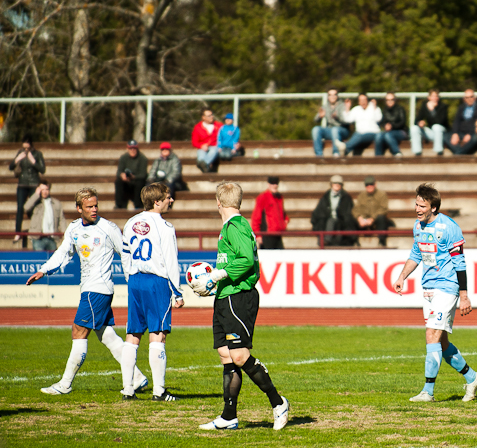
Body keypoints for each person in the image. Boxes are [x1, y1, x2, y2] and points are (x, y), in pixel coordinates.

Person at [26, 187, 148, 395]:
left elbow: (126, 254)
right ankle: (137, 377)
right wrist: (43, 270)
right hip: (89, 289)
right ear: (78, 208)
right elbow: (63, 252)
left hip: (98, 289)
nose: (94, 209)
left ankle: (65, 384)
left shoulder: (108, 228)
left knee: (78, 330)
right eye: (89, 206)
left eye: (96, 205)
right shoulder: (73, 228)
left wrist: (133, 282)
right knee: (106, 335)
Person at [196, 181, 289, 431]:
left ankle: (278, 403)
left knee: (239, 354)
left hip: (239, 297)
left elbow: (247, 260)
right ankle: (229, 417)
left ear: (218, 202)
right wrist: (215, 282)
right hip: (226, 296)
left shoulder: (235, 226)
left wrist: (218, 275)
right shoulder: (230, 226)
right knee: (226, 355)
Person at [393, 183, 477, 402]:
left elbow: (460, 262)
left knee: (431, 334)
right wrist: (402, 276)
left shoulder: (449, 227)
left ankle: (428, 391)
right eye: (416, 204)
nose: (417, 209)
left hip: (447, 286)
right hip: (428, 288)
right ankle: (472, 378)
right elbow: (416, 253)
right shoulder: (418, 226)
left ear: (434, 207)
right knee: (441, 343)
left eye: (422, 205)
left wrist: (464, 294)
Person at [120, 182, 184, 401]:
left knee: (133, 334)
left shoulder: (130, 222)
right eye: (168, 197)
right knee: (158, 335)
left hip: (135, 280)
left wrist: (130, 277)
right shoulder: (165, 227)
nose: (171, 200)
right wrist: (177, 292)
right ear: (157, 201)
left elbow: (125, 253)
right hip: (157, 283)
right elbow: (171, 261)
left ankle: (127, 389)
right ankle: (159, 391)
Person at [9, 135, 46, 247]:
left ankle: (38, 230)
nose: (25, 150)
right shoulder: (20, 153)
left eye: (27, 148)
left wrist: (33, 161)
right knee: (20, 208)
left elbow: (42, 169)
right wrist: (16, 160)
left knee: (36, 207)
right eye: (24, 147)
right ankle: (18, 232)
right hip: (22, 184)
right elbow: (11, 167)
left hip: (34, 183)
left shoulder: (37, 154)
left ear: (30, 145)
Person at [310, 175, 357, 246]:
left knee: (333, 222)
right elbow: (319, 212)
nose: (337, 185)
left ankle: (327, 240)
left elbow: (348, 212)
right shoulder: (325, 197)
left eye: (339, 183)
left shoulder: (346, 197)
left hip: (341, 222)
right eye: (335, 183)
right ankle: (323, 241)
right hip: (327, 221)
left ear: (342, 185)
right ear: (331, 184)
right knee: (322, 222)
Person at [24, 180, 66, 251]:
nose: (45, 192)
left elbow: (62, 220)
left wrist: (65, 234)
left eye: (46, 189)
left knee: (53, 260)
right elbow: (26, 207)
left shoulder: (56, 203)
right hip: (38, 238)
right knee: (39, 260)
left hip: (52, 238)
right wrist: (36, 194)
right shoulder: (36, 202)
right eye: (42, 189)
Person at [251, 176, 289, 250]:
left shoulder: (279, 197)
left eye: (276, 184)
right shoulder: (263, 197)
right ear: (268, 184)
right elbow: (256, 217)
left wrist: (285, 221)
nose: (274, 186)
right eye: (272, 183)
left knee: (280, 257)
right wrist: (258, 235)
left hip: (278, 233)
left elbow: (282, 214)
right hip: (267, 234)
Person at [311, 88, 351, 157]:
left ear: (337, 96)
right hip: (330, 130)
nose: (332, 97)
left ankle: (336, 153)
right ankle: (318, 154)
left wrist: (338, 117)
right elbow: (315, 120)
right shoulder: (325, 106)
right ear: (328, 97)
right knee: (316, 129)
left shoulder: (343, 106)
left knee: (335, 129)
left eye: (334, 95)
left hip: (342, 130)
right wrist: (320, 117)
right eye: (330, 95)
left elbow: (347, 121)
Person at [445, 89, 477, 155]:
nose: (469, 99)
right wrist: (455, 133)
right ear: (464, 99)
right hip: (461, 132)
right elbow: (456, 121)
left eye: (471, 97)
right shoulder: (461, 107)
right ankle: (459, 152)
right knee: (445, 135)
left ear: (475, 97)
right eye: (467, 97)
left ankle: (459, 153)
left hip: (473, 133)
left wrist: (470, 134)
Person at [352, 176, 390, 247]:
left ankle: (381, 242)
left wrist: (372, 218)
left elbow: (383, 209)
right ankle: (354, 242)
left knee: (381, 218)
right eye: (367, 185)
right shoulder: (361, 195)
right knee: (350, 219)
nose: (369, 186)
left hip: (375, 221)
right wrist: (359, 218)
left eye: (371, 184)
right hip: (363, 221)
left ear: (375, 184)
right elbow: (356, 209)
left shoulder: (381, 195)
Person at [410, 89, 450, 156]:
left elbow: (440, 122)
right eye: (432, 96)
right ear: (429, 97)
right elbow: (417, 120)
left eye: (436, 96)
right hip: (431, 132)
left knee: (436, 127)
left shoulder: (443, 106)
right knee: (414, 128)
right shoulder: (424, 106)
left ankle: (439, 151)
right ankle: (417, 152)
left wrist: (432, 111)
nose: (434, 98)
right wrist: (420, 123)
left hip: (442, 133)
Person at [115, 139, 148, 210]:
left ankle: (138, 205)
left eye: (134, 148)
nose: (132, 150)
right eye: (130, 148)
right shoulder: (123, 158)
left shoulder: (142, 158)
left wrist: (133, 177)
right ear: (127, 149)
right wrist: (122, 175)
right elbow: (119, 172)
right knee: (118, 181)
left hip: (137, 181)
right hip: (126, 182)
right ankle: (119, 205)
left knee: (140, 183)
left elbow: (143, 175)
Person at [374, 92, 407, 157]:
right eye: (388, 100)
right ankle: (378, 156)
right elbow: (382, 122)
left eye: (392, 99)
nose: (390, 101)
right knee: (379, 135)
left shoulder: (400, 109)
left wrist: (392, 126)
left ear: (395, 100)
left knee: (388, 135)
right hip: (388, 132)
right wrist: (385, 126)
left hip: (401, 131)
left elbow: (402, 122)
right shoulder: (384, 110)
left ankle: (397, 152)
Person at [192, 107, 223, 172]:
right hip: (203, 147)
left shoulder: (219, 125)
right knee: (201, 154)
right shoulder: (198, 127)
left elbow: (226, 136)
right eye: (209, 116)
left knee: (214, 150)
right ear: (203, 117)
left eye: (212, 115)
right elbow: (194, 142)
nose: (211, 117)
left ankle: (204, 164)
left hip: (215, 147)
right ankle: (205, 166)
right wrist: (201, 146)